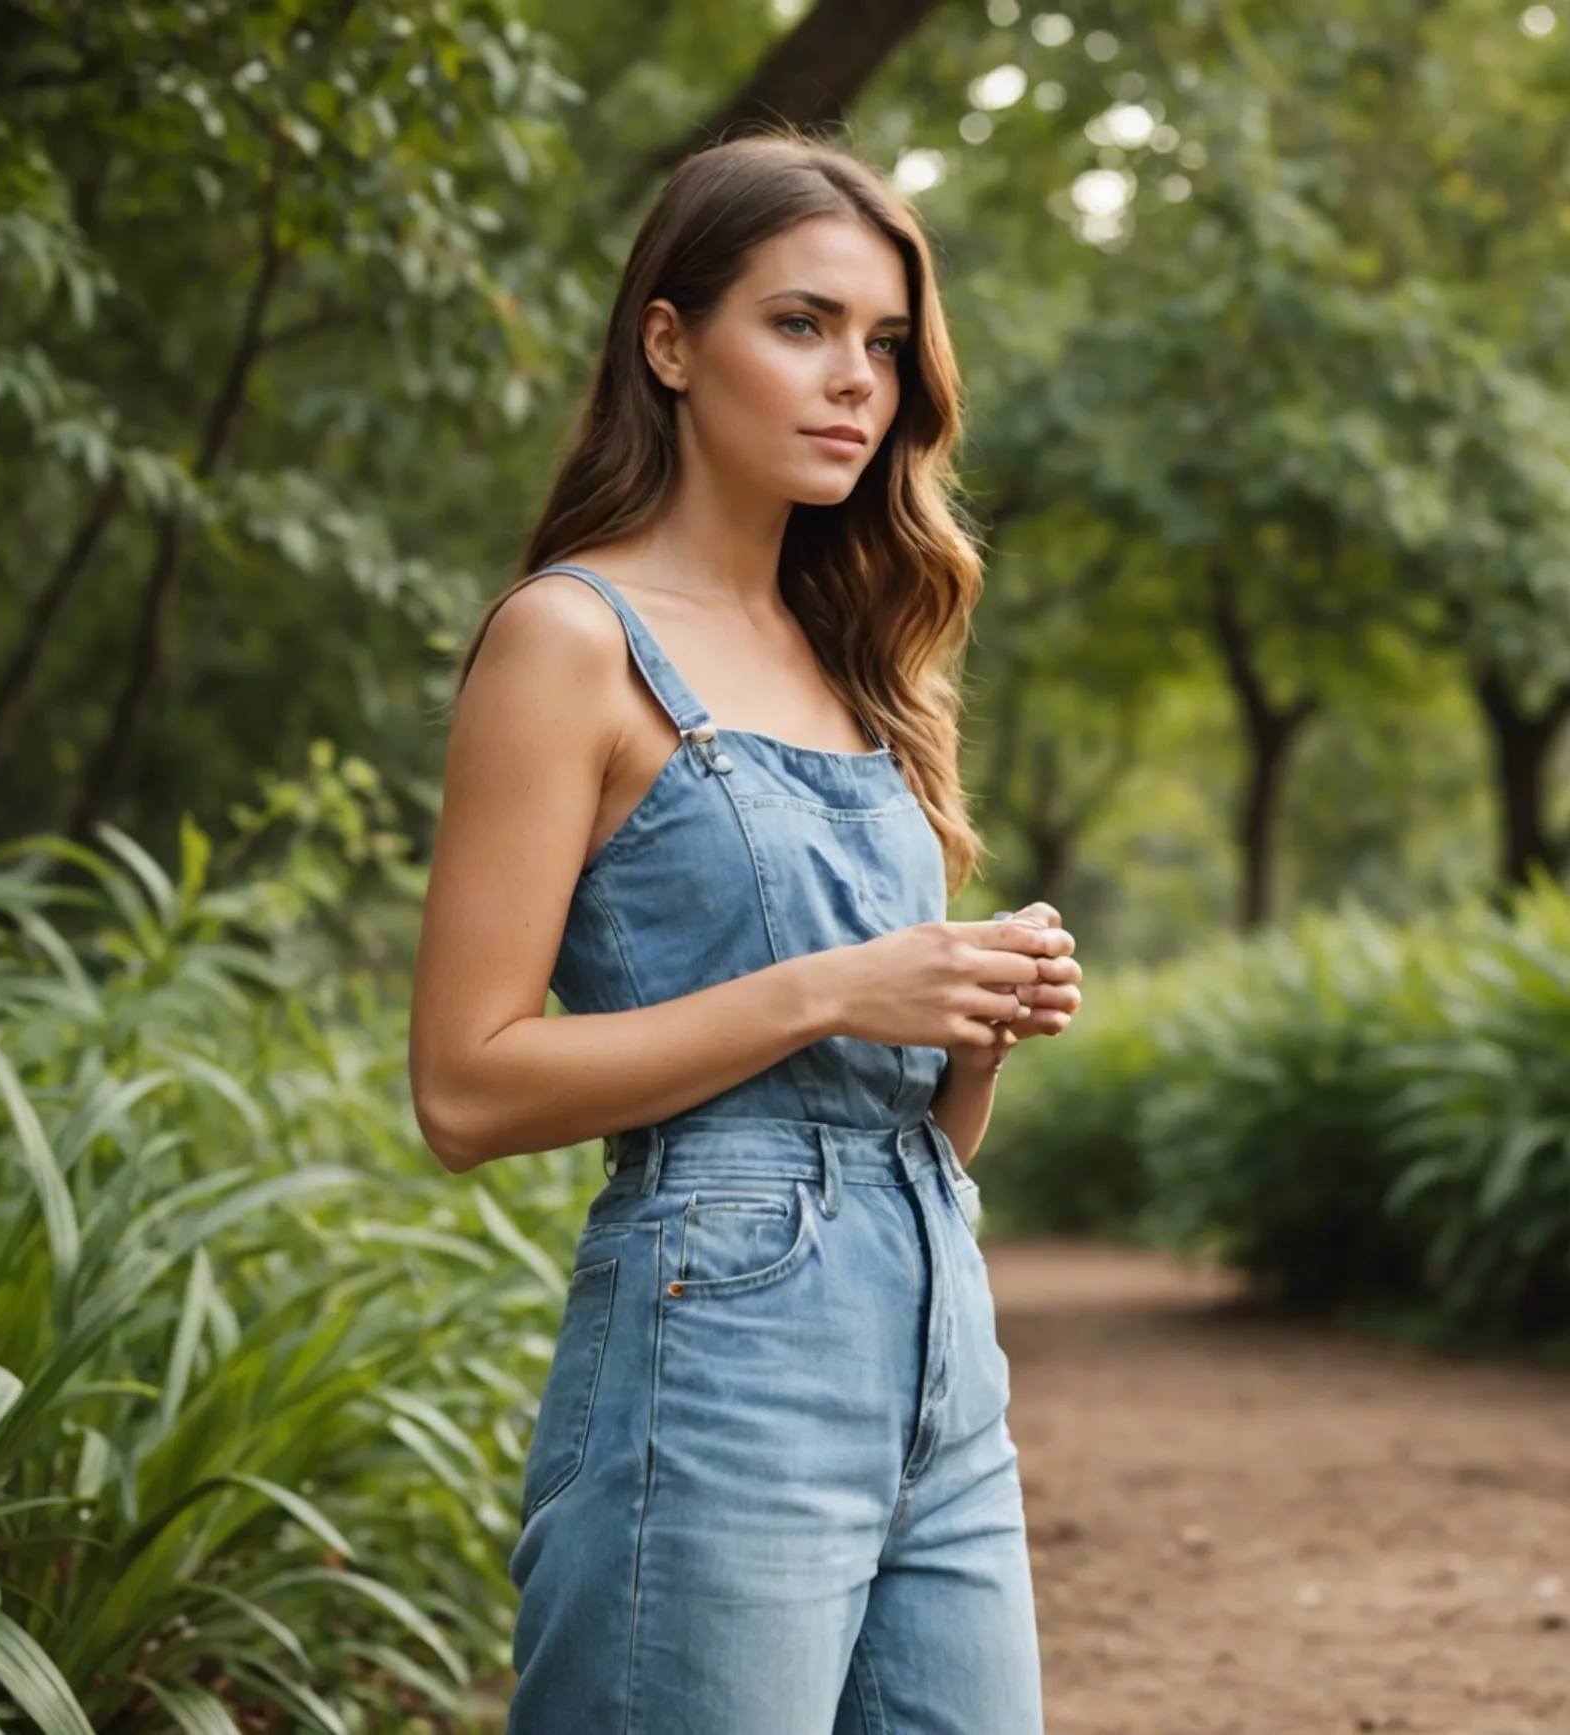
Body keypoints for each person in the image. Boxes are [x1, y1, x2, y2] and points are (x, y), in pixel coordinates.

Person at [404, 128, 1081, 1733]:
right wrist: (839, 984)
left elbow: (919, 1124)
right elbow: (467, 1088)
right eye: (802, 324)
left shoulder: (869, 656)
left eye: (888, 344)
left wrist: (975, 1011)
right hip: (717, 1352)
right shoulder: (572, 641)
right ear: (668, 342)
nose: (860, 380)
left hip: (938, 1347)